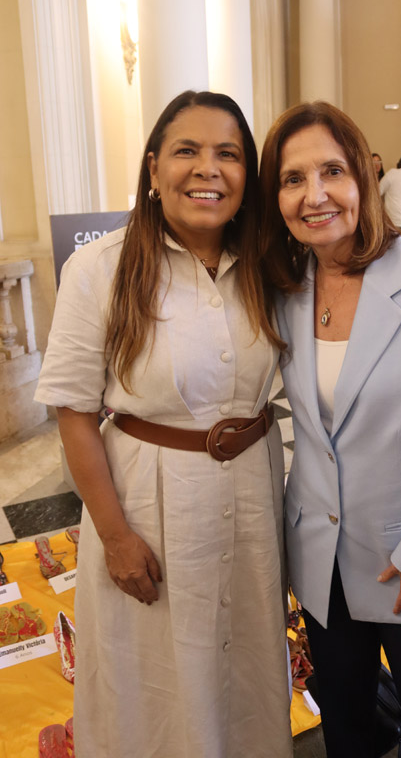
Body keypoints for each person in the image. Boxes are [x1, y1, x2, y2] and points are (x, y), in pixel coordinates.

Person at [35, 90, 293, 758]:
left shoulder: (267, 265)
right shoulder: (100, 267)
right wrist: (115, 535)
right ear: (153, 169)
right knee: (151, 674)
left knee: (246, 664)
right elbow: (73, 411)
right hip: (148, 502)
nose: (208, 169)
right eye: (187, 151)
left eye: (228, 155)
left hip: (251, 497)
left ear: (248, 177)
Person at [259, 101, 401, 758]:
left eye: (331, 170)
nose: (315, 194)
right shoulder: (286, 286)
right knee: (348, 727)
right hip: (322, 561)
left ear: (361, 176)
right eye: (292, 178)